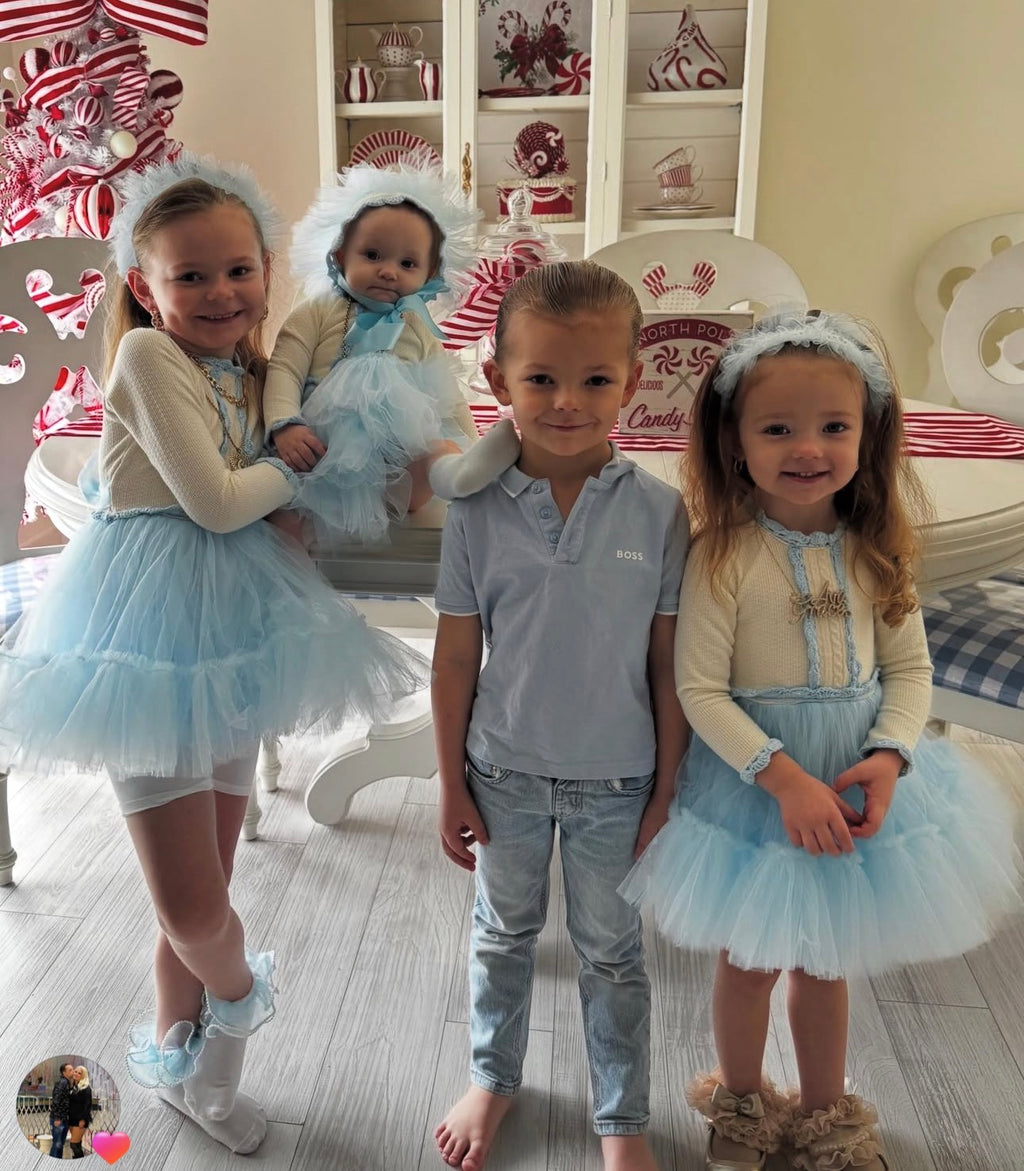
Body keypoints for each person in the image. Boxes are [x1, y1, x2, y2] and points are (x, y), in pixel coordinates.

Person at [0, 154, 426, 1156]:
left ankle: (194, 1070)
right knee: (193, 906)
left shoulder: (250, 368)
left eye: (239, 270)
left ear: (268, 269)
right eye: (191, 276)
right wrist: (286, 466)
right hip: (141, 634)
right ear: (145, 285)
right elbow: (220, 500)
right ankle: (241, 997)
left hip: (237, 633)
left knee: (207, 891)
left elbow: (290, 480)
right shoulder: (148, 359)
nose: (221, 293)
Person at [620, 311, 1021, 1170]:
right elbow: (701, 688)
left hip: (850, 780)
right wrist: (782, 778)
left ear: (867, 434)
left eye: (834, 426)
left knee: (827, 960)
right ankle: (740, 1100)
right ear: (734, 443)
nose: (809, 447)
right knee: (750, 958)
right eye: (778, 429)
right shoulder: (721, 554)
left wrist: (889, 755)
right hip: (755, 786)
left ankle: (828, 1112)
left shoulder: (876, 550)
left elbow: (911, 672)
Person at [431, 261, 690, 1171]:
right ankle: (493, 1077)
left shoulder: (661, 513)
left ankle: (622, 1119)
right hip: (501, 771)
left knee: (612, 954)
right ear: (498, 380)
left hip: (617, 781)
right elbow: (458, 653)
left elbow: (669, 663)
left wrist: (668, 787)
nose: (567, 401)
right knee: (500, 934)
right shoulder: (472, 510)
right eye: (540, 377)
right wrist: (449, 778)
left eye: (594, 379)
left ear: (633, 381)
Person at [264, 160, 519, 545]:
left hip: (399, 458)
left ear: (429, 274)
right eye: (372, 255)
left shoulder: (416, 324)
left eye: (407, 263)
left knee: (436, 451)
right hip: (324, 450)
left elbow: (445, 395)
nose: (388, 271)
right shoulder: (317, 311)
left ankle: (461, 473)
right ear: (338, 256)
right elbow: (284, 367)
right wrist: (285, 423)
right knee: (289, 504)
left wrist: (472, 442)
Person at [48, 1063, 73, 1159]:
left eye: (72, 1069)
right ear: (64, 1072)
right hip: (59, 1119)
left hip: (63, 1118)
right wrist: (57, 1118)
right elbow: (56, 1101)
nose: (72, 1071)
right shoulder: (62, 1082)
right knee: (57, 1144)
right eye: (70, 1070)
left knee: (60, 1144)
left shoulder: (66, 1083)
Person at [67, 1066, 92, 1159]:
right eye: (75, 1071)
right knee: (77, 1144)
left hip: (80, 1120)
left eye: (79, 1073)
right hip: (72, 1119)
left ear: (83, 1075)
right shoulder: (74, 1086)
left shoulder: (86, 1088)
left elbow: (87, 1105)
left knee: (73, 1144)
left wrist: (83, 1119)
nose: (76, 1074)